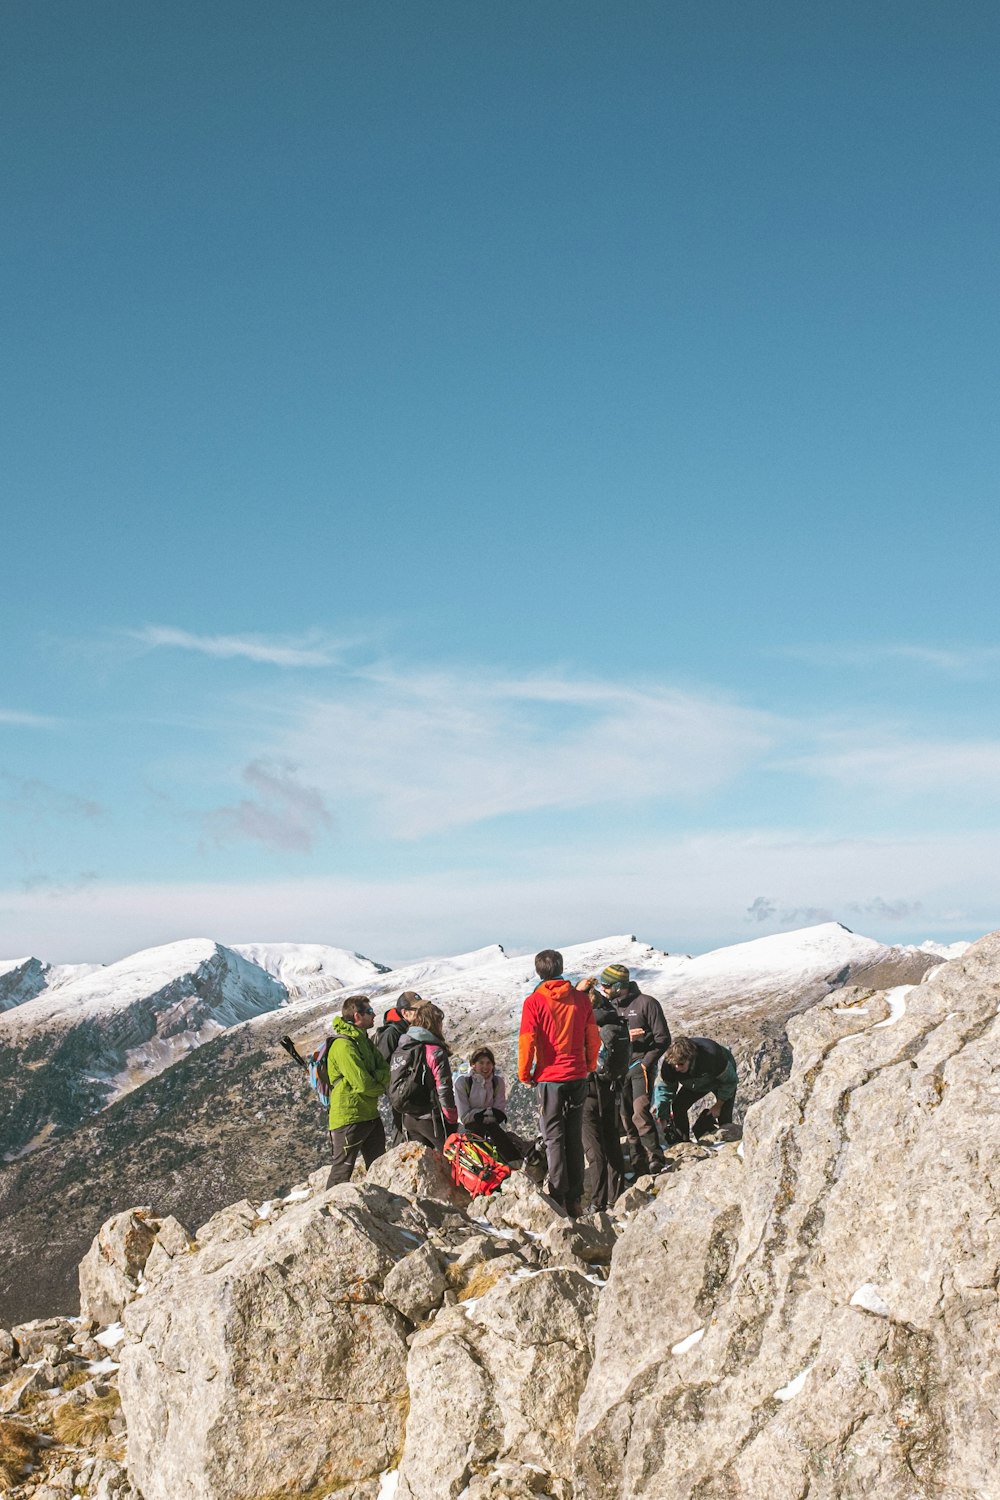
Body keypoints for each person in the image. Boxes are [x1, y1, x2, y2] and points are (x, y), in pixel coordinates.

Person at [518, 948, 600, 1217]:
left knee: (554, 1137)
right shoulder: (580, 999)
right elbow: (593, 1037)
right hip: (577, 1075)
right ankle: (575, 1198)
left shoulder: (534, 1002)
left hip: (550, 1078)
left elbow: (527, 1041)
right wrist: (588, 1066)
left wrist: (524, 1074)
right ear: (562, 967)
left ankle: (558, 1194)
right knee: (573, 1136)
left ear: (538, 971)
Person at [595, 963, 671, 1176]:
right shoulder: (607, 1008)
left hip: (640, 1066)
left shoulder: (647, 1003)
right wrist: (624, 1038)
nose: (603, 989)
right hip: (617, 1071)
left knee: (640, 1113)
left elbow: (663, 1038)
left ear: (619, 986)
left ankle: (655, 1158)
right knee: (625, 1117)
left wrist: (647, 1062)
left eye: (607, 985)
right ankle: (638, 1165)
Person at [325, 994, 391, 1187]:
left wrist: (375, 1079)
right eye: (369, 1012)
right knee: (341, 1171)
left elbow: (385, 1069)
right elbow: (362, 1083)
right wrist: (379, 1085)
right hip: (349, 1117)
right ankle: (330, 1212)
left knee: (378, 1167)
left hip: (369, 1114)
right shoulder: (343, 1045)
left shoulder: (364, 1041)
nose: (374, 1014)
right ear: (357, 1016)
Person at [581, 988, 629, 1210]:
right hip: (610, 1091)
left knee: (594, 1150)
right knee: (611, 1144)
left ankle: (597, 1204)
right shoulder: (614, 1021)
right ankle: (616, 1198)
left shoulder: (586, 1023)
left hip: (588, 1093)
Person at [389, 1000, 459, 1149]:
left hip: (408, 1117)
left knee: (424, 1164)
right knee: (451, 1161)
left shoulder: (404, 1045)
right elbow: (444, 1088)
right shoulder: (435, 1051)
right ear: (434, 1023)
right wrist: (452, 1118)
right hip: (432, 1119)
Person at [653, 1035, 739, 1142]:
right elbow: (665, 1091)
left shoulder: (711, 1056)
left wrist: (718, 1105)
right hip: (694, 1083)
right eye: (674, 1065)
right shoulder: (670, 1066)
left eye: (681, 1064)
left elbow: (730, 1082)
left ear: (690, 1057)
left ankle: (727, 1144)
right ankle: (683, 1141)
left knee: (724, 1118)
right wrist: (662, 1116)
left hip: (719, 1080)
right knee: (678, 1106)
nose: (677, 1068)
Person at [454, 1045, 528, 1165]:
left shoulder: (497, 1082)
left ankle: (516, 1168)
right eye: (481, 1062)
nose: (485, 1066)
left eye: (489, 1063)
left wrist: (483, 1114)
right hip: (468, 1128)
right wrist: (488, 1112)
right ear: (473, 1064)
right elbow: (464, 1117)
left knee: (508, 1151)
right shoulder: (463, 1083)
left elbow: (499, 1111)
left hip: (490, 1125)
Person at [374, 992, 423, 1144]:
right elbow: (381, 1064)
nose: (421, 1013)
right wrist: (395, 1089)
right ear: (404, 1012)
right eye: (417, 1010)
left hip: (412, 1091)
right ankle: (397, 1159)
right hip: (400, 1093)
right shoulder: (391, 1033)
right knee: (402, 1128)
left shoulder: (413, 1031)